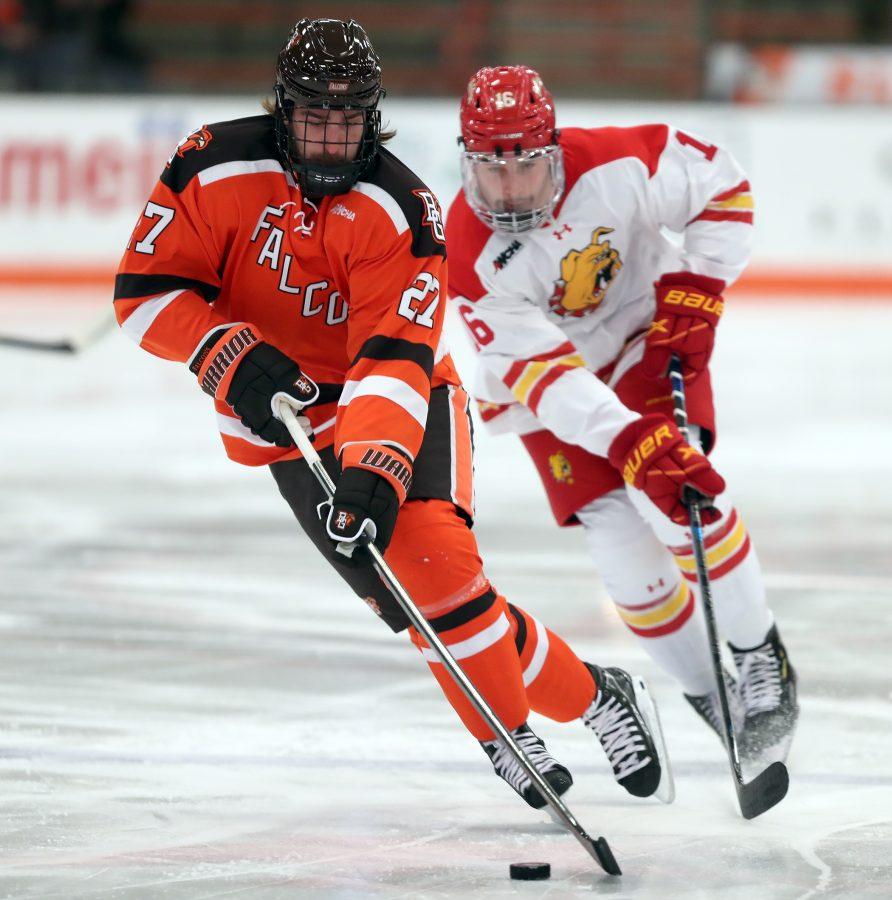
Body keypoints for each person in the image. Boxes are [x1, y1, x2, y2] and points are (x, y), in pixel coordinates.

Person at [113, 19, 671, 811]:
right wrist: (223, 350)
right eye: (316, 117)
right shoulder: (209, 164)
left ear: (372, 117)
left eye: (350, 121)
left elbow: (392, 358)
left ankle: (502, 733)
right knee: (428, 611)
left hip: (407, 404)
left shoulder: (404, 211)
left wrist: (374, 464)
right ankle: (596, 695)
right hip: (286, 433)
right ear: (283, 109)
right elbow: (143, 299)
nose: (334, 139)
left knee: (436, 568)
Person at [445, 65, 798, 762]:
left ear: (552, 150)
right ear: (467, 161)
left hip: (644, 343)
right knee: (620, 547)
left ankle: (760, 657)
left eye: (524, 168)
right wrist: (628, 437)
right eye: (491, 172)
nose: (510, 190)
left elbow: (722, 185)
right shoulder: (466, 250)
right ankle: (715, 699)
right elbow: (545, 375)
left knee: (676, 502)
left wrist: (697, 291)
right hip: (549, 393)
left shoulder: (616, 161)